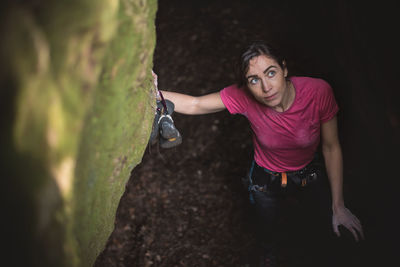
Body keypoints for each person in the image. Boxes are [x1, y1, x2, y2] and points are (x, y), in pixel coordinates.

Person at [153, 41, 364, 266]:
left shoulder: (318, 92)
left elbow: (331, 147)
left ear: (284, 69)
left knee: (319, 223)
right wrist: (152, 92)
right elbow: (196, 104)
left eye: (271, 73)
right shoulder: (243, 96)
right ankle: (269, 254)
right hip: (265, 180)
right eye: (254, 80)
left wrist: (338, 205)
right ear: (247, 84)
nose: (266, 87)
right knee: (267, 227)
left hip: (307, 173)